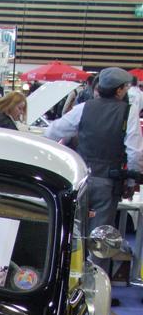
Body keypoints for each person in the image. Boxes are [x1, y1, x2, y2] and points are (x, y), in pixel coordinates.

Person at [44, 67, 143, 268]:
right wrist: (132, 180)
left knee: (72, 230)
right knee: (100, 239)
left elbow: (52, 132)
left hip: (79, 178)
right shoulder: (128, 112)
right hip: (108, 181)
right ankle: (93, 279)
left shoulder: (84, 108)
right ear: (119, 90)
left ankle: (66, 273)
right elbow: (135, 152)